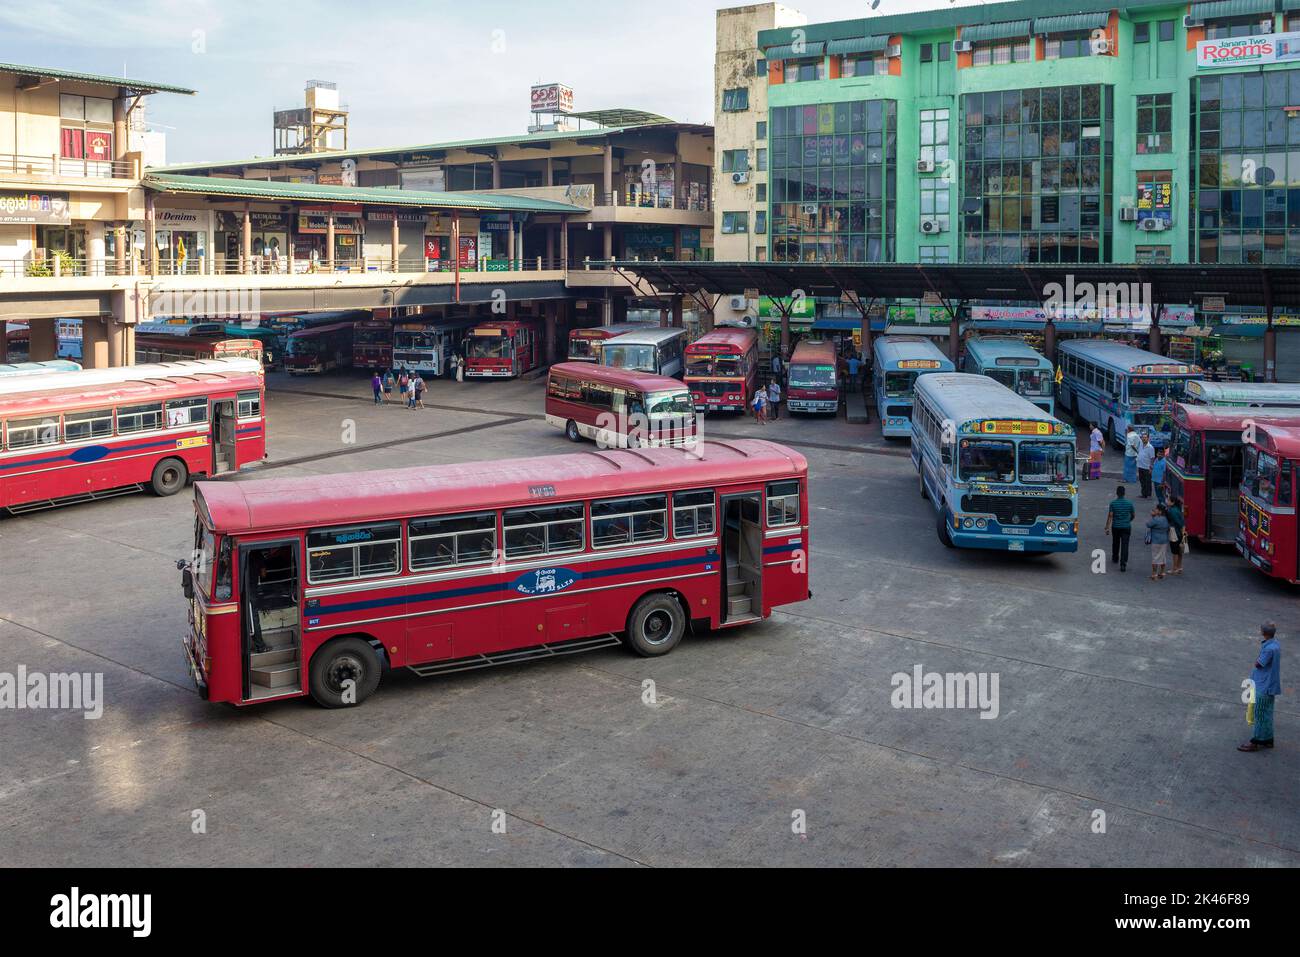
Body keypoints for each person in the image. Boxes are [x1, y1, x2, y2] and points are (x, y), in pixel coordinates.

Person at [1239, 622, 1281, 752]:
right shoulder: (1276, 644)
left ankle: (1255, 742)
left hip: (1263, 685)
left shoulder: (1268, 649)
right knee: (1267, 714)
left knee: (1259, 714)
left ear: (1264, 633)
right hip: (1270, 685)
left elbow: (1259, 664)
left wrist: (1257, 660)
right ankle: (1268, 740)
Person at [1104, 485, 1135, 572]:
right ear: (1124, 493)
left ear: (1117, 493)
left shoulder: (1113, 503)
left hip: (1116, 526)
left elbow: (1110, 516)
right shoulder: (1129, 503)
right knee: (1125, 545)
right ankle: (1123, 563)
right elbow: (1133, 515)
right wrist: (1128, 520)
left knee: (1115, 542)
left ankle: (1115, 557)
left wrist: (1107, 527)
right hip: (1126, 526)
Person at [1146, 503, 1170, 580]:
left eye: (1156, 509)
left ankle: (1154, 574)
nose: (1155, 510)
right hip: (1164, 540)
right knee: (1163, 557)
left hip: (1156, 540)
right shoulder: (1166, 519)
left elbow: (1148, 524)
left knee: (1155, 557)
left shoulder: (1156, 519)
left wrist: (1152, 516)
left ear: (1159, 511)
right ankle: (1162, 572)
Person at [1166, 494, 1186, 575]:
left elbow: (1178, 522)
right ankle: (1179, 567)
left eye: (1168, 500)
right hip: (1181, 532)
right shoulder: (1177, 509)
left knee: (1175, 552)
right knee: (1180, 551)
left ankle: (1174, 568)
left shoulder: (1172, 511)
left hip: (1175, 532)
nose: (1167, 501)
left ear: (1172, 502)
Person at [1136, 433, 1156, 498]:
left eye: (1145, 437)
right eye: (1143, 437)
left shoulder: (1150, 447)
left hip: (1147, 467)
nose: (1144, 438)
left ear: (1148, 438)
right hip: (1140, 466)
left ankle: (1149, 494)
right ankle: (1143, 494)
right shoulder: (1141, 445)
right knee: (1142, 481)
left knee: (1148, 482)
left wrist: (1151, 467)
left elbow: (1152, 458)